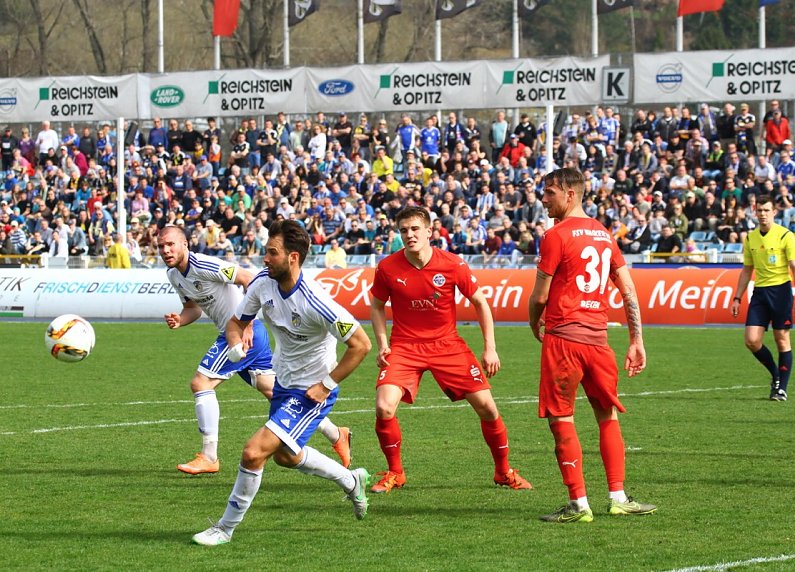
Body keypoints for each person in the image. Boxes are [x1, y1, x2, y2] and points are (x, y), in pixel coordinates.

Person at [192, 220, 372, 546]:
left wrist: (327, 384)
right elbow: (237, 321)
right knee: (286, 457)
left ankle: (224, 528)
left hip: (310, 391)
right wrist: (236, 344)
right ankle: (350, 480)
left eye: (271, 253)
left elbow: (361, 344)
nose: (264, 258)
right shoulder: (263, 283)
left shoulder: (317, 301)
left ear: (292, 257)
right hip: (283, 382)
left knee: (252, 452)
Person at [158, 225, 352, 476]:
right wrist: (181, 320)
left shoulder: (205, 265)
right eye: (161, 246)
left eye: (171, 244)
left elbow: (247, 279)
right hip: (239, 334)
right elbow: (193, 307)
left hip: (242, 334)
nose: (165, 250)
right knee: (273, 392)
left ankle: (209, 456)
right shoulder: (174, 275)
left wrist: (246, 323)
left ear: (185, 244)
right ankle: (337, 434)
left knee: (201, 383)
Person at [368, 206, 531, 494]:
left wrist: (490, 348)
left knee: (488, 408)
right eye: (404, 230)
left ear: (429, 231)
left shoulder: (452, 264)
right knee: (383, 407)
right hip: (405, 347)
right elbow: (377, 307)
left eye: (415, 229)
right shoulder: (387, 268)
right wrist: (383, 344)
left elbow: (481, 303)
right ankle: (395, 472)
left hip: (447, 345)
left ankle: (504, 471)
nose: (409, 235)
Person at [527, 167, 656, 524]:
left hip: (565, 341)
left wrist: (532, 320)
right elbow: (628, 291)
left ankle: (579, 504)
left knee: (561, 419)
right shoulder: (604, 234)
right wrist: (636, 340)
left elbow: (540, 295)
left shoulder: (555, 235)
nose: (544, 198)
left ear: (570, 194)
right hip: (600, 342)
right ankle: (617, 496)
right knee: (607, 416)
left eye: (550, 192)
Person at [730, 195, 795, 401]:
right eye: (759, 210)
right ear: (755, 212)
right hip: (760, 292)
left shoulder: (786, 236)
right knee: (751, 340)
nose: (763, 214)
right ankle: (776, 374)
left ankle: (782, 388)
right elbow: (747, 270)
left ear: (774, 212)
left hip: (781, 291)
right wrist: (737, 297)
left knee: (781, 339)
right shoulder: (751, 238)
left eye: (767, 210)